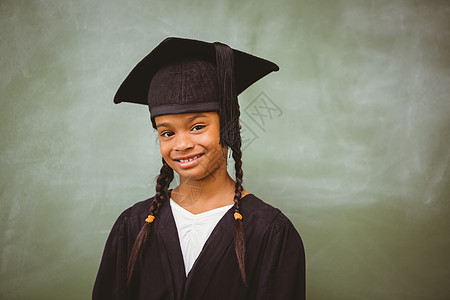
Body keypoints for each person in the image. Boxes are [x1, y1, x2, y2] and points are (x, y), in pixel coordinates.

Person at [92, 37, 305, 300]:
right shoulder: (133, 226)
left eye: (197, 127)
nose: (181, 144)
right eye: (167, 133)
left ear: (231, 125)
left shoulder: (271, 233)